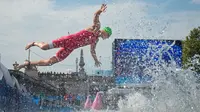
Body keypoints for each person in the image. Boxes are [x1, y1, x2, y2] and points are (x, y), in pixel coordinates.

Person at [16, 4, 112, 70]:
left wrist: (96, 61)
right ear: (105, 32)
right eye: (107, 36)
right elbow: (96, 15)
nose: (106, 38)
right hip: (66, 40)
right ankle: (33, 43)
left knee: (49, 62)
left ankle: (27, 63)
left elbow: (92, 51)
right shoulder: (96, 27)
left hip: (70, 48)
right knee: (43, 47)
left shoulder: (95, 41)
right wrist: (100, 10)